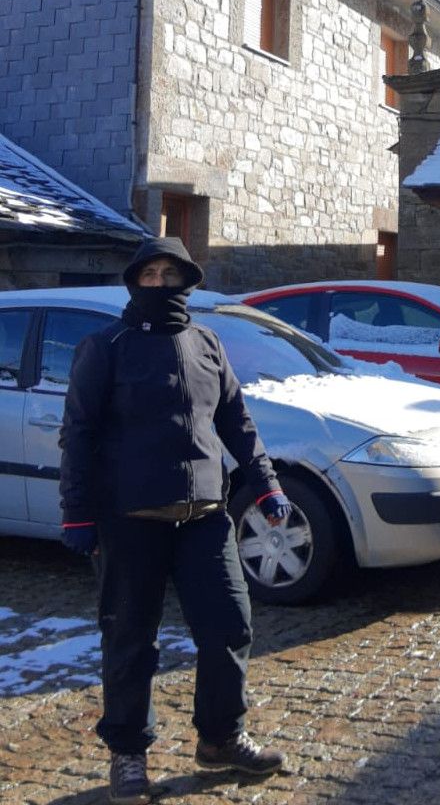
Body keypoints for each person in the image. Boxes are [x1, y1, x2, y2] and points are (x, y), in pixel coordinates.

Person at [59, 237, 293, 805]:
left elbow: (237, 420)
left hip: (205, 519)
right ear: (135, 281)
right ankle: (128, 754)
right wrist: (77, 515)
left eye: (171, 274)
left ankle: (219, 738)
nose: (160, 283)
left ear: (187, 280)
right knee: (131, 640)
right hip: (130, 521)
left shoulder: (206, 343)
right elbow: (79, 433)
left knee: (230, 626)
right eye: (150, 274)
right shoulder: (105, 346)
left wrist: (265, 484)